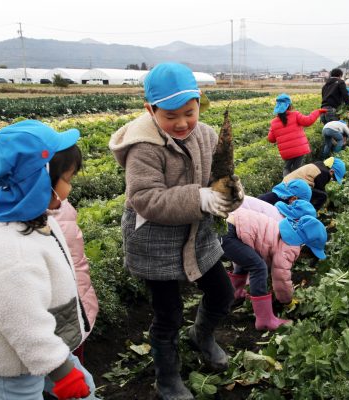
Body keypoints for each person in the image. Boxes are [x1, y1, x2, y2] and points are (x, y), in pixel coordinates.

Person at [108, 63, 244, 400]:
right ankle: (167, 378)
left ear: (199, 102)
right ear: (150, 110)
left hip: (197, 235)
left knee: (222, 294)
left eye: (189, 112)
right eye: (170, 115)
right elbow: (145, 199)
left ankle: (202, 335)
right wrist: (201, 198)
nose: (181, 122)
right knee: (167, 314)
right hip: (154, 240)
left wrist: (231, 194)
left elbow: (221, 177)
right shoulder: (144, 147)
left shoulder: (208, 136)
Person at [0, 120, 96, 400]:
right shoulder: (13, 255)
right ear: (37, 182)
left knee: (87, 388)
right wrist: (62, 372)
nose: (70, 188)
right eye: (68, 179)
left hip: (43, 347)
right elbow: (24, 326)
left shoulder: (37, 220)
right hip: (11, 365)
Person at [0, 197, 99, 364]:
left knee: (67, 359)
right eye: (65, 179)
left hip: (67, 305)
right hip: (50, 307)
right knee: (52, 361)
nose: (68, 188)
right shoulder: (30, 206)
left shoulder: (50, 207)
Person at [222, 209, 326, 330]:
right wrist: (287, 300)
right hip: (230, 232)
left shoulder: (283, 229)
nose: (302, 257)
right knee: (258, 268)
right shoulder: (291, 246)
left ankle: (234, 294)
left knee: (248, 261)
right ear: (305, 245)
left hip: (230, 224)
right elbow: (280, 276)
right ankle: (265, 320)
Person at [267, 93, 326, 176]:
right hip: (299, 149)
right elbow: (308, 121)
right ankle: (296, 185)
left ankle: (286, 184)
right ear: (289, 106)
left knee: (287, 168)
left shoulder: (274, 122)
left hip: (286, 152)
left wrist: (271, 130)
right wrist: (317, 112)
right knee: (297, 169)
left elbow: (271, 139)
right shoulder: (295, 115)